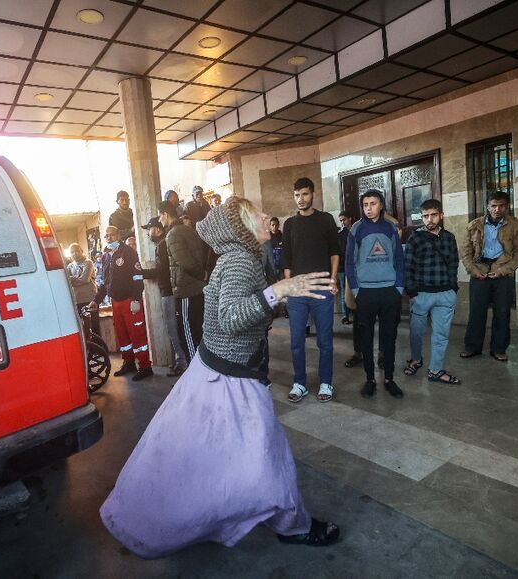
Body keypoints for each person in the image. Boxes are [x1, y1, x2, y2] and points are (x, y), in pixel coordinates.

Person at [100, 196, 340, 558]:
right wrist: (279, 292)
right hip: (232, 381)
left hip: (215, 373)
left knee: (191, 455)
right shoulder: (243, 261)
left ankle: (157, 518)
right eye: (253, 213)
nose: (264, 216)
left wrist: (277, 296)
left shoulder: (242, 258)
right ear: (240, 228)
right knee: (268, 457)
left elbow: (238, 311)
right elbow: (230, 318)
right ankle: (292, 526)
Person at [282, 177, 340, 404]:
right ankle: (300, 383)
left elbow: (335, 252)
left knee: (325, 340)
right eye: (297, 195)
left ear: (312, 194)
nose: (300, 199)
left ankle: (326, 382)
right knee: (297, 340)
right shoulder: (289, 224)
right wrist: (288, 289)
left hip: (322, 290)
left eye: (304, 194)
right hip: (298, 292)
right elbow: (286, 259)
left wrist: (333, 280)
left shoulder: (325, 220)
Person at [346, 189, 405, 399]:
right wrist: (356, 290)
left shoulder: (390, 228)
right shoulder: (356, 230)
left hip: (389, 291)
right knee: (366, 338)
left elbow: (399, 259)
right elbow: (350, 264)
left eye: (373, 204)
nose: (369, 208)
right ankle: (370, 379)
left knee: (389, 337)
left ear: (381, 205)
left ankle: (389, 379)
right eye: (365, 205)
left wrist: (398, 288)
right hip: (366, 293)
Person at [459, 191, 518, 362]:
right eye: (493, 205)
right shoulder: (474, 225)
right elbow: (466, 252)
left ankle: (499, 349)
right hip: (479, 271)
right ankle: (472, 347)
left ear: (507, 206)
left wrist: (503, 271)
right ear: (487, 206)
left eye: (501, 205)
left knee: (502, 312)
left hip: (502, 272)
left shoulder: (516, 225)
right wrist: (473, 270)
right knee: (476, 312)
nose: (497, 209)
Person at [403, 200, 461, 385]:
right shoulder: (415, 238)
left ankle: (435, 369)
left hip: (445, 294)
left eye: (433, 215)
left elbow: (454, 263)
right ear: (422, 217)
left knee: (441, 334)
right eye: (426, 216)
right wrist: (412, 293)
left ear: (441, 215)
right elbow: (407, 267)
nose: (429, 219)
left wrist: (453, 288)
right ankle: (416, 359)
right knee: (416, 332)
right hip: (421, 294)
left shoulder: (449, 237)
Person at [90, 226, 153, 380]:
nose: (109, 238)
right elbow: (105, 283)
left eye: (112, 235)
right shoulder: (105, 257)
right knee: (122, 335)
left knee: (137, 334)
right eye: (106, 236)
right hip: (115, 302)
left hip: (130, 300)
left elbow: (138, 277)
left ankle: (145, 367)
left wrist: (136, 299)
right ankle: (129, 362)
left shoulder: (129, 253)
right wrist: (96, 300)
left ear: (118, 235)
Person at [159, 200, 206, 363]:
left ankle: (195, 373)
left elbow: (185, 262)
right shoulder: (188, 230)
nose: (159, 220)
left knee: (188, 334)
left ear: (165, 214)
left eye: (160, 216)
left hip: (187, 290)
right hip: (197, 288)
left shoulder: (173, 234)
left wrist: (200, 275)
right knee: (198, 332)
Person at [140, 216, 188, 376]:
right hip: (169, 290)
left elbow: (162, 271)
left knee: (173, 329)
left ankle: (183, 363)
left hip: (168, 292)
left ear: (158, 229)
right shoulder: (163, 243)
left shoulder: (162, 245)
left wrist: (141, 273)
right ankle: (179, 360)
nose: (148, 233)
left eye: (150, 229)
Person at [66, 242, 98, 335]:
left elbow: (85, 279)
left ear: (82, 251)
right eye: (72, 252)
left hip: (90, 299)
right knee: (82, 328)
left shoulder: (88, 263)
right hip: (77, 300)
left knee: (93, 327)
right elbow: (66, 281)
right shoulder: (70, 266)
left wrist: (72, 279)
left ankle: (96, 348)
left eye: (77, 251)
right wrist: (77, 278)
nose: (74, 254)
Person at [337, 211, 353, 324]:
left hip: (354, 265)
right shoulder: (340, 235)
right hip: (343, 266)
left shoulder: (356, 231)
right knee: (344, 290)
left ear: (350, 218)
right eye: (341, 220)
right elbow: (342, 251)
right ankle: (345, 315)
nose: (343, 222)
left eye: (344, 219)